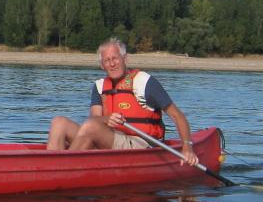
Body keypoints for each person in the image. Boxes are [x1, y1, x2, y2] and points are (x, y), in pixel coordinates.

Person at [46, 37, 199, 166]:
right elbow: (94, 118)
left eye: (115, 58)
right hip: (111, 138)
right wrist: (107, 119)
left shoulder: (144, 82)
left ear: (125, 59)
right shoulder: (99, 87)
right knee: (59, 122)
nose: (112, 64)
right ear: (102, 65)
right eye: (107, 60)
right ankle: (49, 166)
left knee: (91, 127)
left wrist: (187, 147)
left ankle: (58, 171)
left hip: (140, 144)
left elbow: (178, 116)